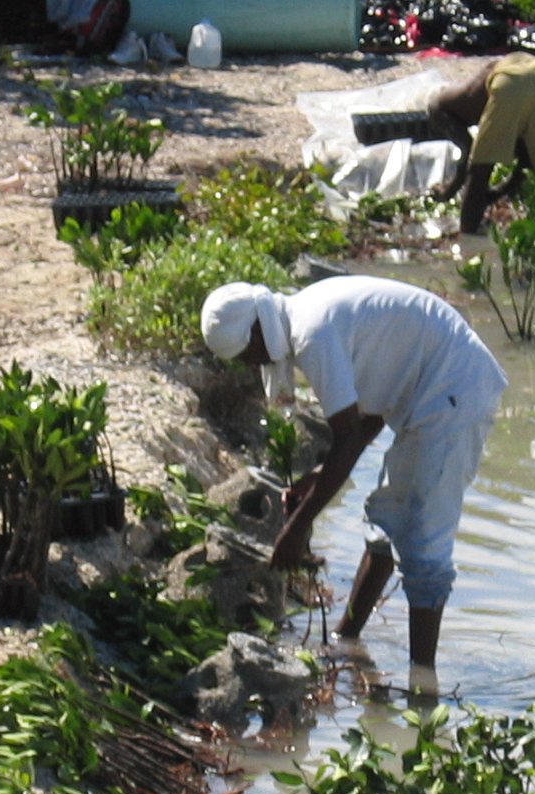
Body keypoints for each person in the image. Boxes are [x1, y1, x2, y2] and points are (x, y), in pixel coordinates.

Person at [200, 276, 507, 673]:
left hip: (453, 390)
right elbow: (373, 407)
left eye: (246, 353)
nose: (250, 364)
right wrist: (318, 474)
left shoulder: (312, 333)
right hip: (433, 388)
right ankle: (347, 640)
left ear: (258, 329)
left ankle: (422, 684)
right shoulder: (306, 315)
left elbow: (347, 439)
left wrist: (296, 528)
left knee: (423, 541)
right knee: (384, 522)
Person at [426, 52, 535, 235]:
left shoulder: (449, 104)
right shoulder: (490, 87)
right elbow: (526, 163)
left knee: (480, 173)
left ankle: (467, 243)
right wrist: (496, 193)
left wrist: (454, 187)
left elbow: (467, 153)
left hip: (509, 85)